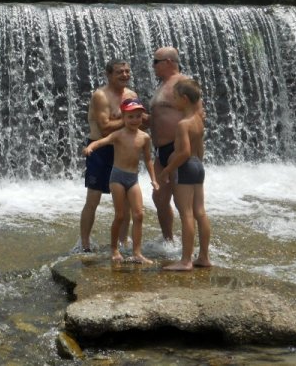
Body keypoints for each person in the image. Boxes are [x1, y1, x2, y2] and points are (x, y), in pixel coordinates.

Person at [83, 98, 158, 264]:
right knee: (119, 215)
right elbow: (101, 142)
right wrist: (90, 147)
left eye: (138, 116)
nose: (135, 120)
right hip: (117, 177)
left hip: (133, 179)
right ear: (123, 117)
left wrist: (154, 180)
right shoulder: (118, 135)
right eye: (130, 117)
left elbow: (148, 160)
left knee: (139, 215)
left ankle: (137, 252)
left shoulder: (145, 137)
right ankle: (114, 249)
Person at [78, 59, 139, 253]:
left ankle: (123, 242)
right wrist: (129, 118)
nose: (124, 75)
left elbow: (138, 123)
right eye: (119, 72)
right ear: (109, 75)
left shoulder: (131, 95)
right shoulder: (101, 96)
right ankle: (85, 243)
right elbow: (105, 128)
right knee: (93, 198)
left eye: (127, 72)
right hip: (100, 151)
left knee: (126, 201)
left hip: (123, 149)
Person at [159, 79, 212, 271]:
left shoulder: (184, 124)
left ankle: (186, 260)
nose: (173, 101)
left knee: (186, 214)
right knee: (200, 212)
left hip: (186, 167)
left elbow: (184, 153)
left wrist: (168, 169)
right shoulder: (199, 119)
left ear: (184, 99)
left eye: (174, 98)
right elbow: (199, 149)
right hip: (198, 166)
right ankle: (204, 257)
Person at [149, 47, 189, 241]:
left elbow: (197, 116)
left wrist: (189, 147)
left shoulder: (183, 83)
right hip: (160, 151)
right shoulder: (163, 85)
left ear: (169, 62)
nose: (153, 66)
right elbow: (160, 117)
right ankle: (168, 240)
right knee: (159, 198)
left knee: (183, 202)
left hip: (177, 148)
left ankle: (189, 250)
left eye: (156, 62)